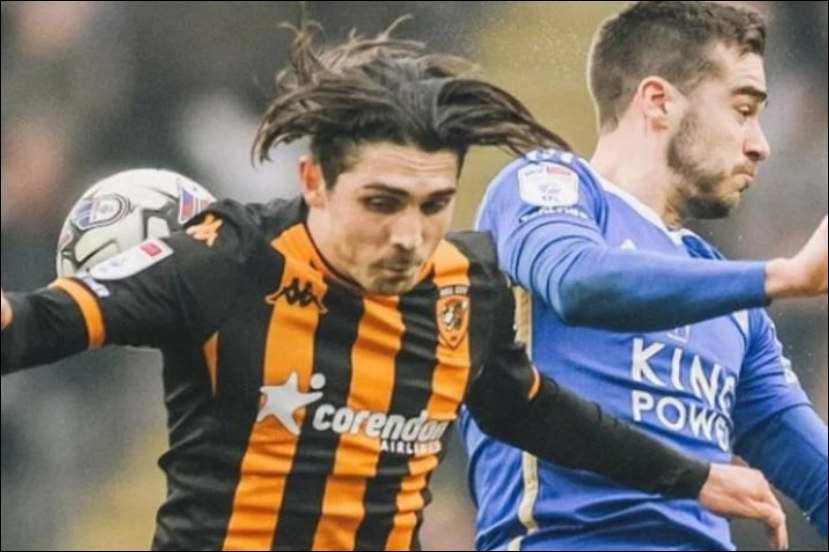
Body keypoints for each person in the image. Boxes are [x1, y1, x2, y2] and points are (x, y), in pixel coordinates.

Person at [2, 10, 788, 552]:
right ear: (314, 182)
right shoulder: (224, 261)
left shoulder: (467, 286)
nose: (410, 236)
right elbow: (37, 324)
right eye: (380, 203)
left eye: (434, 204)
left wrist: (693, 478)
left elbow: (530, 409)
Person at [461, 1, 828, 550]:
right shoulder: (549, 186)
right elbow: (578, 283)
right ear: (658, 102)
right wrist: (785, 277)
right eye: (742, 109)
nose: (760, 144)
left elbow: (815, 472)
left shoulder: (724, 291)